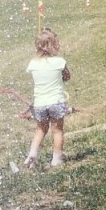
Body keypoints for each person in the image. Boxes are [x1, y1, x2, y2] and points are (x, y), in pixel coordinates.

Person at [24, 28, 72, 168]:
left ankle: (32, 153)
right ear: (53, 45)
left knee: (41, 129)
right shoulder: (59, 62)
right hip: (56, 102)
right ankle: (57, 159)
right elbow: (67, 76)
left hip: (39, 104)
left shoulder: (33, 64)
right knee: (57, 130)